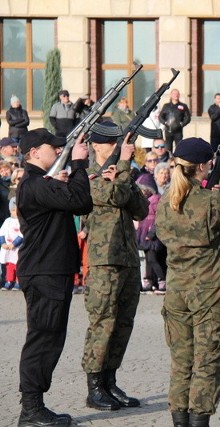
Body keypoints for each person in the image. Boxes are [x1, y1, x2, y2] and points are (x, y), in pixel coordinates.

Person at [155, 137, 220, 427]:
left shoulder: (165, 202)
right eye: (211, 162)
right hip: (209, 294)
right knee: (207, 363)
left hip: (177, 293)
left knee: (182, 363)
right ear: (202, 166)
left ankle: (179, 422)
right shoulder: (211, 200)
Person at [16, 128, 92, 425]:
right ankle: (31, 409)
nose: (58, 152)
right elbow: (81, 202)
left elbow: (71, 198)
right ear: (34, 152)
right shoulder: (34, 183)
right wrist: (81, 166)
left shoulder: (40, 183)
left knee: (49, 337)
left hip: (49, 271)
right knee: (43, 339)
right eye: (52, 147)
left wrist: (70, 179)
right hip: (44, 272)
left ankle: (34, 405)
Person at [82, 122, 149, 411]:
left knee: (123, 323)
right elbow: (114, 196)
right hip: (104, 260)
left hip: (128, 259)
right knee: (103, 323)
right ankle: (94, 385)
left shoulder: (120, 172)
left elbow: (141, 209)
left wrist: (123, 174)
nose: (119, 149)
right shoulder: (85, 176)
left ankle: (110, 381)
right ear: (97, 146)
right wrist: (122, 166)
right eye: (113, 145)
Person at [136, 184, 166, 295]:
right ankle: (148, 281)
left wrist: (152, 233)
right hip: (144, 234)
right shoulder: (145, 200)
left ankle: (162, 280)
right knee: (148, 260)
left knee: (153, 259)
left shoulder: (155, 200)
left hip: (151, 235)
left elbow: (158, 218)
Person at [0, 197, 22, 291]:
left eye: (17, 210)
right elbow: (2, 232)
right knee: (9, 266)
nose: (15, 212)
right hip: (7, 248)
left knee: (18, 265)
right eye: (13, 210)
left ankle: (18, 281)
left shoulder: (22, 221)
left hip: (17, 248)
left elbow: (22, 234)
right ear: (10, 211)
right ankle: (9, 281)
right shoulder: (7, 221)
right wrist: (3, 243)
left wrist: (15, 243)